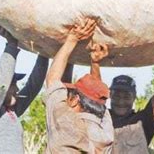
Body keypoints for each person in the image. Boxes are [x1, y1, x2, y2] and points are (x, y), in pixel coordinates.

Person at [0, 22, 49, 154]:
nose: (17, 89)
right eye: (13, 84)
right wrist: (11, 45)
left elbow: (33, 86)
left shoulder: (11, 111)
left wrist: (44, 53)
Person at [44, 18, 114, 153]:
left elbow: (52, 80)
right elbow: (97, 95)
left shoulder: (65, 122)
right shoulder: (106, 135)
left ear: (75, 100)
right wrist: (95, 63)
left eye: (69, 97)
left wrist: (72, 39)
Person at [108, 65, 154, 153]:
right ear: (109, 95)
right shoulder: (101, 119)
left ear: (134, 97)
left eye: (126, 97)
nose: (121, 102)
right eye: (116, 96)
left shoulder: (143, 121)